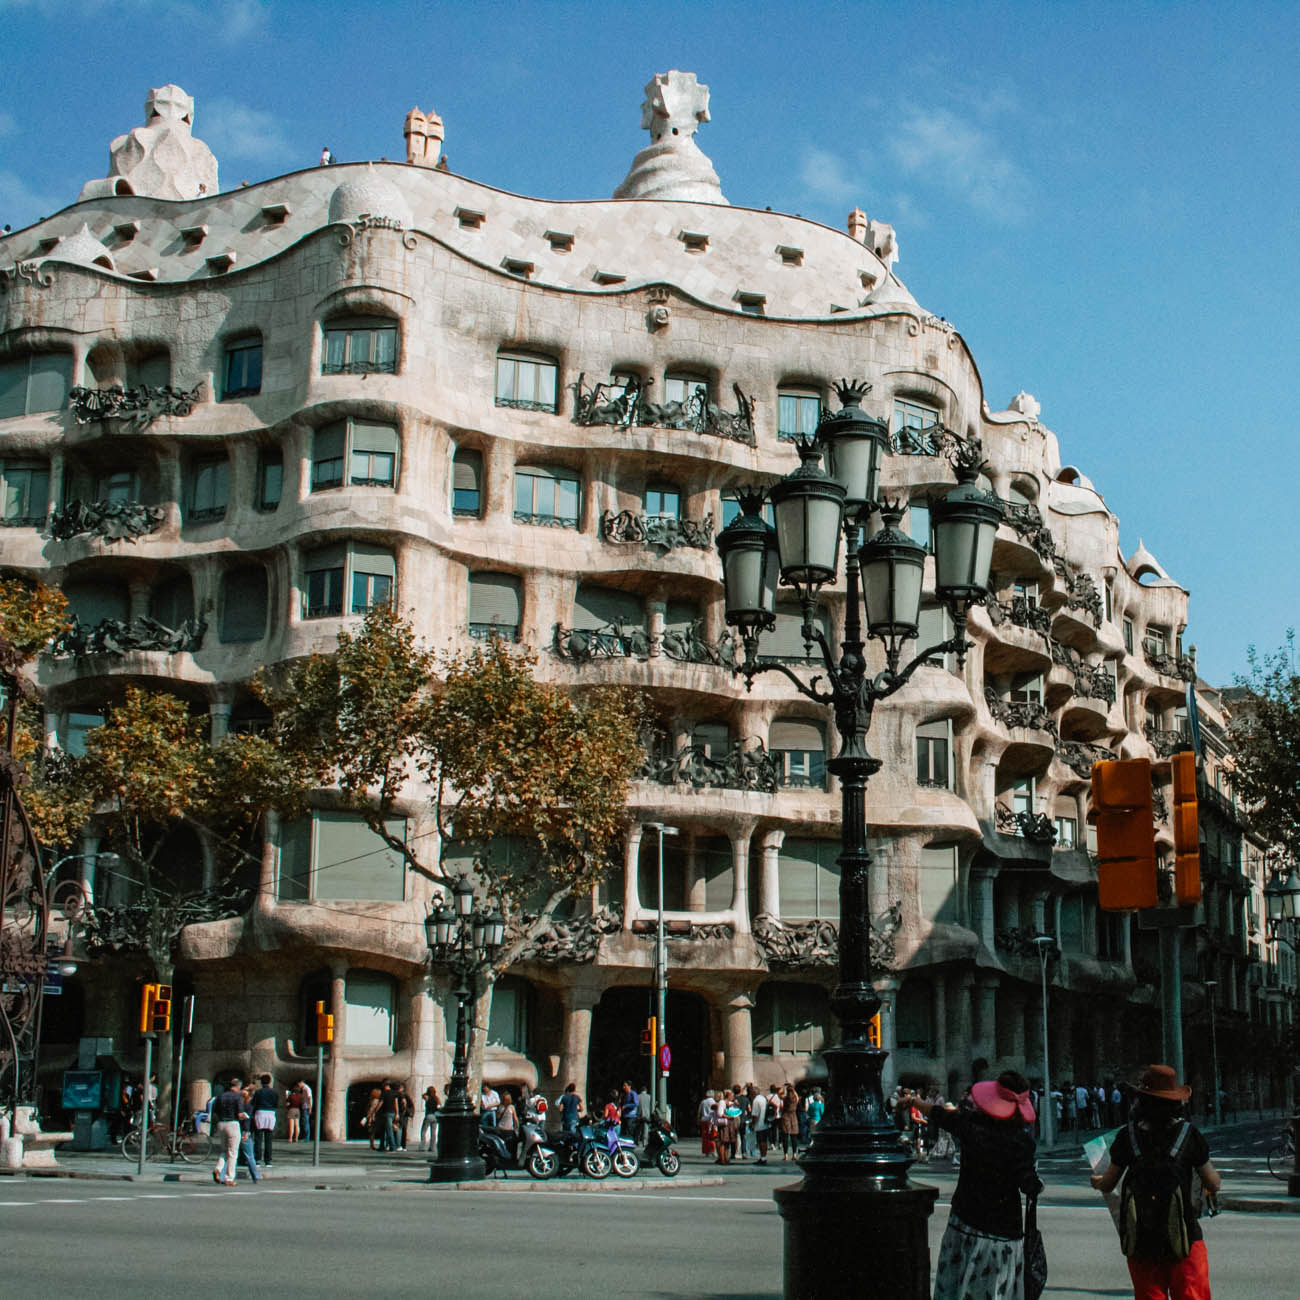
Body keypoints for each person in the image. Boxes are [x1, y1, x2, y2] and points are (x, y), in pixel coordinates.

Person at [1090, 1064, 1220, 1300]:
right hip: (1185, 1238)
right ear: (1175, 1102)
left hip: (1142, 1240)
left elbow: (1109, 1183)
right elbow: (1213, 1182)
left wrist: (1097, 1182)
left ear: (1141, 1102)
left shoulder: (1127, 1136)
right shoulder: (1189, 1135)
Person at [913, 1071, 1042, 1300]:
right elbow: (1028, 1183)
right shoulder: (1022, 1143)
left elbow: (937, 1114)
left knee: (957, 1289)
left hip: (965, 1224)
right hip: (1004, 1235)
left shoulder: (970, 1126)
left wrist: (913, 1101)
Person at [211, 1077, 246, 1187]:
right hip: (232, 1124)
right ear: (238, 1086)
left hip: (221, 1124)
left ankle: (218, 1168)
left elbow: (215, 1111)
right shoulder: (237, 1097)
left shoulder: (220, 1096)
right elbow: (240, 1114)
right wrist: (245, 1117)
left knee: (224, 1150)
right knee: (232, 1152)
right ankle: (229, 1178)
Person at [250, 1073, 278, 1167]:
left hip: (260, 1113)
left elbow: (253, 1103)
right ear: (270, 1082)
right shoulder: (274, 1092)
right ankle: (268, 1160)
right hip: (270, 1113)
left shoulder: (258, 1092)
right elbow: (276, 1104)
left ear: (261, 1082)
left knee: (258, 1138)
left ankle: (257, 1159)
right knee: (268, 1138)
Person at [750, 1085, 769, 1164]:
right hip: (765, 1123)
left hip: (759, 1124)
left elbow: (755, 1114)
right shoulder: (763, 1099)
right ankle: (764, 1157)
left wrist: (752, 1124)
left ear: (753, 1093)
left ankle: (762, 1158)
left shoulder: (756, 1101)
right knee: (764, 1141)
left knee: (760, 1141)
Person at [780, 1084, 800, 1159]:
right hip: (793, 1117)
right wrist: (793, 1090)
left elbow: (780, 1094)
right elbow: (797, 1097)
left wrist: (783, 1087)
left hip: (786, 1116)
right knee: (793, 1137)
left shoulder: (785, 1098)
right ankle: (794, 1154)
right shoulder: (795, 1099)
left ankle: (785, 1155)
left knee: (785, 1137)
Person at [420, 1084, 442, 1151]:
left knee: (423, 1131)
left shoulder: (427, 1098)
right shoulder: (437, 1098)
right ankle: (432, 1147)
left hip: (429, 1115)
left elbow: (422, 1095)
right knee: (433, 1133)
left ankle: (422, 1146)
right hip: (435, 1116)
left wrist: (427, 1093)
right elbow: (440, 1106)